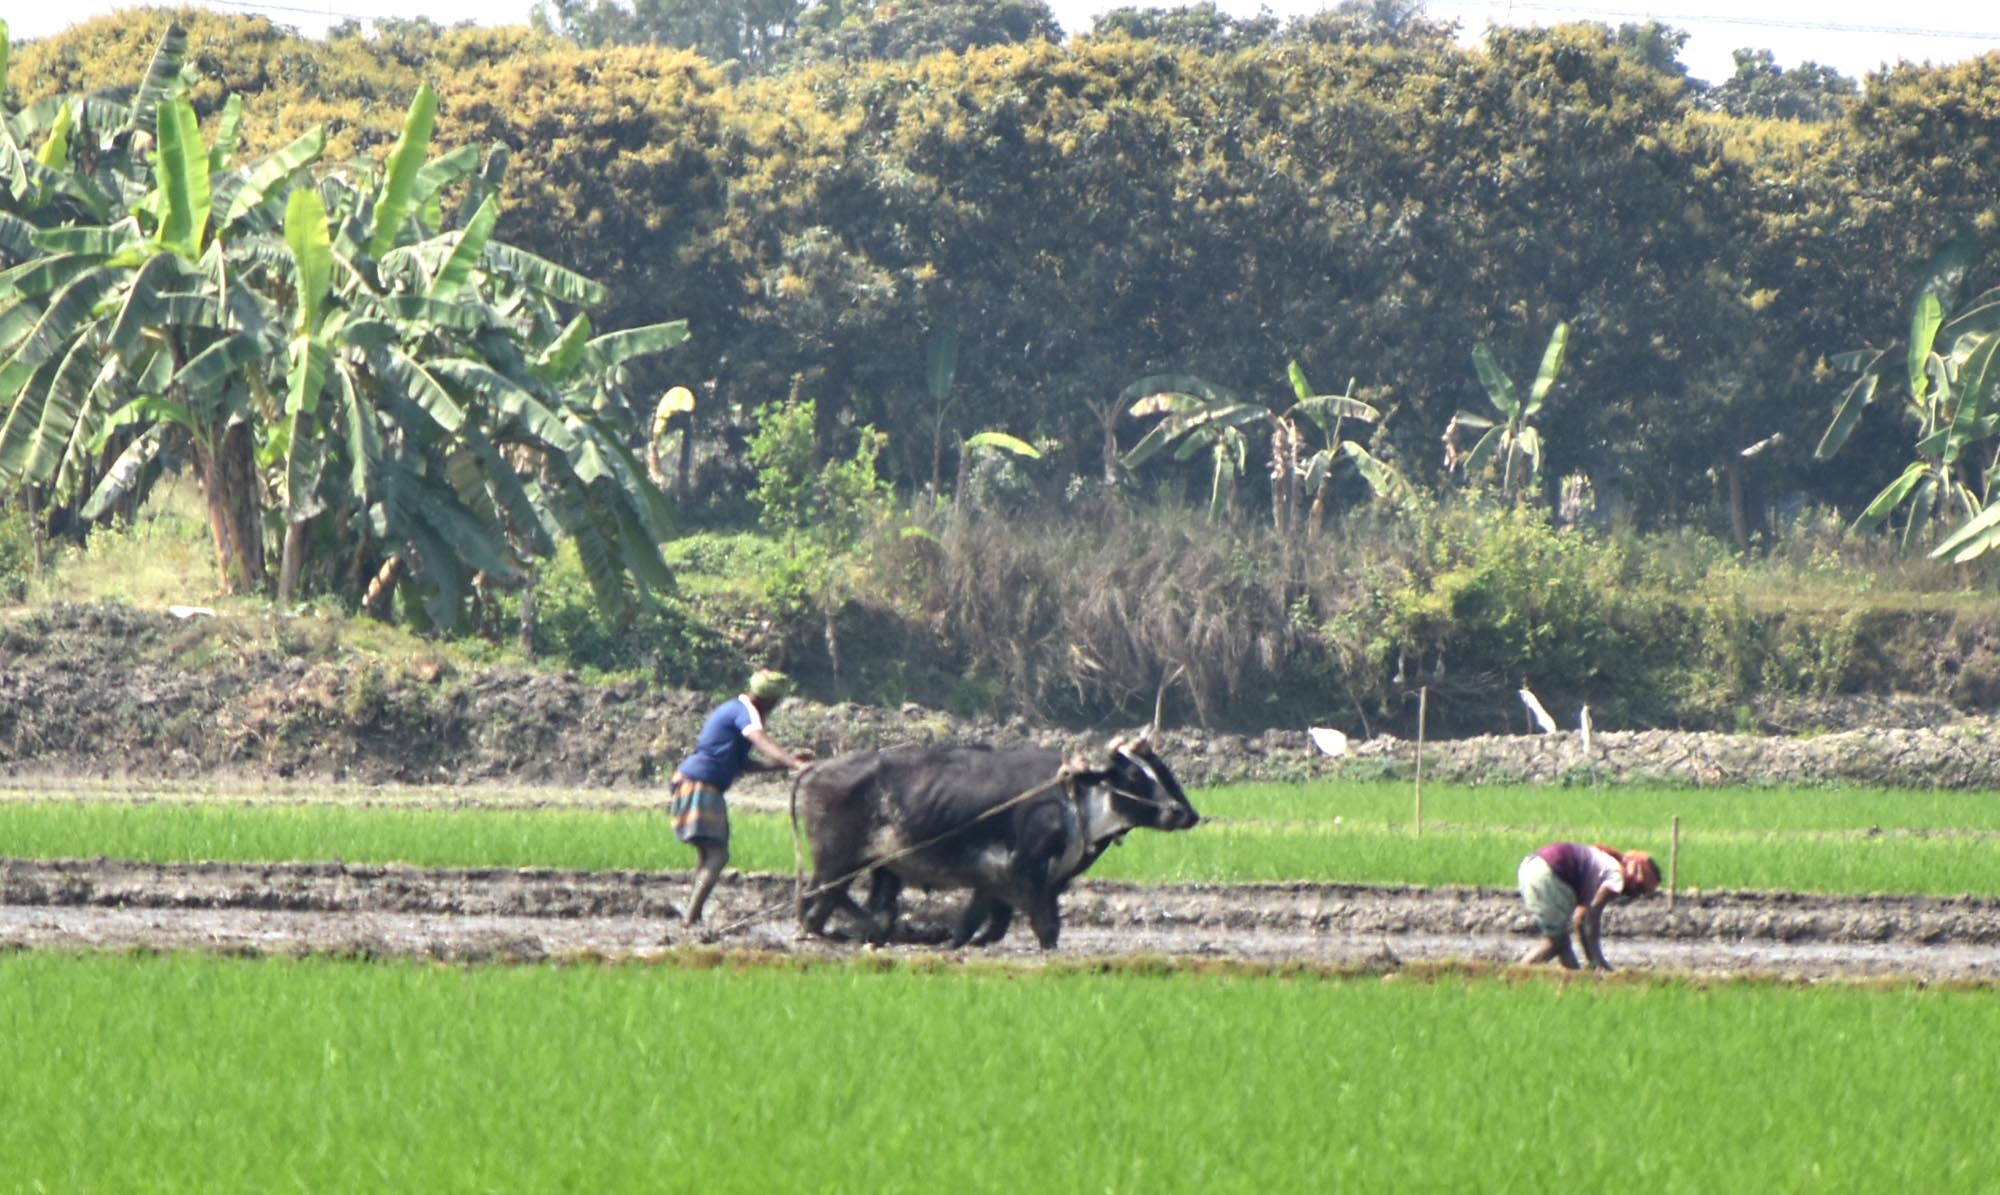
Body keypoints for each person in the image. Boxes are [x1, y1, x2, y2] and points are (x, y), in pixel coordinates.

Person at [669, 668, 813, 925]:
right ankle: (690, 919)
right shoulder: (745, 711)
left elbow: (744, 764)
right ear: (767, 699)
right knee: (718, 855)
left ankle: (693, 916)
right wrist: (793, 763)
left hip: (695, 780)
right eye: (775, 703)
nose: (774, 708)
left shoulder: (735, 710)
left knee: (707, 855)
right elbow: (759, 739)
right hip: (701, 783)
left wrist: (786, 763)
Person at [1516, 841, 1660, 971]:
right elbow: (1588, 917)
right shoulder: (1616, 876)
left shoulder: (1604, 861)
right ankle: (1517, 975)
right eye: (1639, 889)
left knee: (1562, 942)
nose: (1635, 894)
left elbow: (1582, 921)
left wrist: (1592, 962)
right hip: (1551, 873)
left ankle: (1574, 983)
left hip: (1531, 866)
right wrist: (1597, 961)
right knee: (1556, 943)